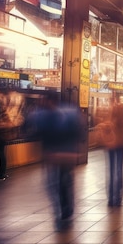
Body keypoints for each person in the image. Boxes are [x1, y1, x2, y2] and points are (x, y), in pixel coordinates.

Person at [27, 93, 83, 228]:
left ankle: (65, 207)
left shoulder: (63, 113)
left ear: (50, 101)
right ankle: (63, 207)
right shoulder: (46, 115)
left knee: (62, 181)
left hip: (63, 153)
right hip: (55, 154)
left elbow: (75, 131)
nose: (43, 103)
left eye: (45, 101)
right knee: (55, 182)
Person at [97, 98, 123, 206]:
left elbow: (99, 124)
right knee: (119, 169)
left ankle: (110, 197)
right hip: (120, 144)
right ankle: (118, 196)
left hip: (110, 144)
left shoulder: (107, 113)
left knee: (111, 170)